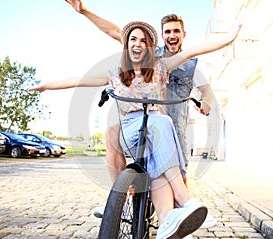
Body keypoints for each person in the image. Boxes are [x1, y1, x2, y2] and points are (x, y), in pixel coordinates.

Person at [29, 21, 241, 238]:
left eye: (143, 41)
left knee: (158, 170)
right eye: (133, 39)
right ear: (127, 45)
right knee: (162, 122)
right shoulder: (116, 73)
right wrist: (46, 86)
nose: (138, 44)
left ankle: (167, 220)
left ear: (149, 47)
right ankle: (182, 199)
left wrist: (229, 39)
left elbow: (193, 51)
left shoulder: (159, 67)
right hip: (131, 128)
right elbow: (77, 80)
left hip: (155, 130)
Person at [64, 1, 216, 231]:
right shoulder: (150, 53)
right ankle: (117, 201)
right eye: (167, 32)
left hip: (175, 124)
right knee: (112, 132)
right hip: (144, 119)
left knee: (178, 179)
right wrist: (84, 11)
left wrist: (207, 103)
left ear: (183, 34)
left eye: (176, 31)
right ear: (162, 36)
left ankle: (176, 222)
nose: (172, 35)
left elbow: (205, 89)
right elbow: (117, 32)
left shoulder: (190, 65)